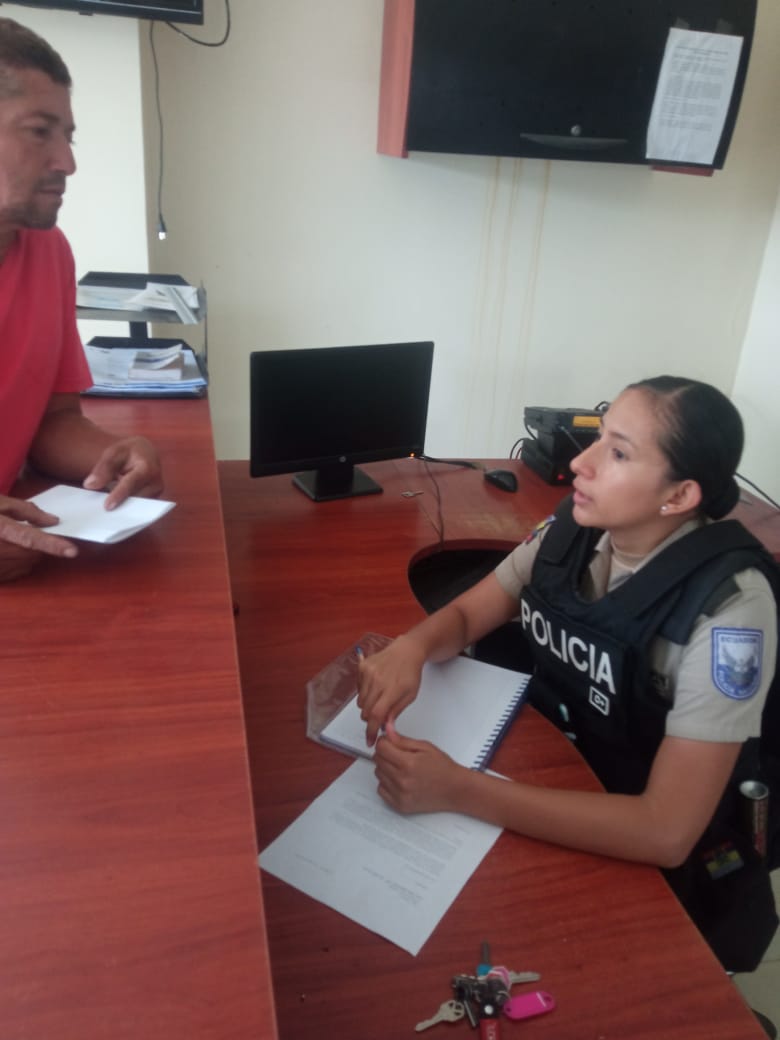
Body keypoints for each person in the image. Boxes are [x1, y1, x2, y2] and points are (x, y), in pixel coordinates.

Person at [357, 375, 779, 976]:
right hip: (562, 770)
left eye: (618, 452)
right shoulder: (575, 530)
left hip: (642, 844)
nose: (581, 462)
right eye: (599, 436)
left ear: (679, 495)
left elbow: (666, 831)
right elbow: (471, 613)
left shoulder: (730, 610)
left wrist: (458, 790)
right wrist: (412, 647)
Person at [0, 17, 162, 583]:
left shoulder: (49, 252)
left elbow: (54, 419)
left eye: (68, 136)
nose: (67, 162)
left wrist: (119, 454)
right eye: (39, 132)